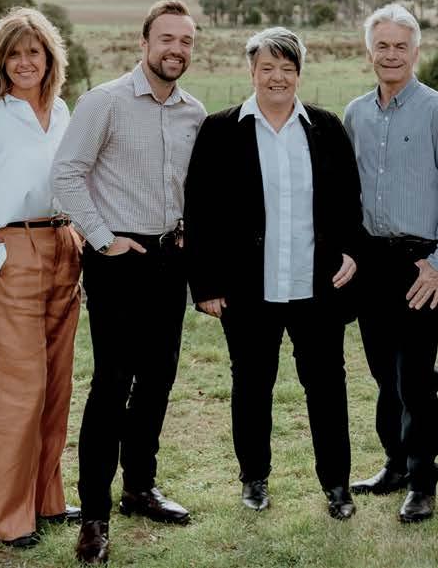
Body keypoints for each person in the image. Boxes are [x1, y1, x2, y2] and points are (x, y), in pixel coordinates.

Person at [184, 27, 363, 520]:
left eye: (287, 68)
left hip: (316, 286)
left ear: (299, 74)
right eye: (267, 68)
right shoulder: (221, 130)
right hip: (248, 290)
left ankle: (337, 485)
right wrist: (207, 285)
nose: (277, 77)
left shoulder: (326, 127)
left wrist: (351, 251)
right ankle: (254, 479)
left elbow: (349, 201)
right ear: (252, 72)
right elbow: (199, 210)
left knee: (327, 387)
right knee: (251, 385)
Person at [51, 0, 206, 565]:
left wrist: (189, 232)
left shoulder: (194, 112)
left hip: (169, 260)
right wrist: (101, 238)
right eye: (166, 39)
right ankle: (94, 516)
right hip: (118, 259)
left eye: (185, 41)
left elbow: (193, 188)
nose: (176, 50)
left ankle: (140, 487)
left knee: (159, 378)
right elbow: (66, 174)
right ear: (144, 43)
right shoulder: (105, 102)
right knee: (113, 384)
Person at [0, 7, 80, 549]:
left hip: (63, 246)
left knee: (56, 386)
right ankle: (0, 515)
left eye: (34, 52)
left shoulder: (63, 111)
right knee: (18, 391)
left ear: (50, 57)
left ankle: (45, 500)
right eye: (14, 54)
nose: (25, 62)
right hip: (12, 252)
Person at [344, 3, 438, 524]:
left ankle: (423, 480)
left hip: (420, 263)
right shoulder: (355, 114)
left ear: (416, 51)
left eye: (401, 46)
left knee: (415, 377)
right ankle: (394, 465)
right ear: (369, 52)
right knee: (383, 372)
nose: (391, 54)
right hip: (371, 260)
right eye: (383, 45)